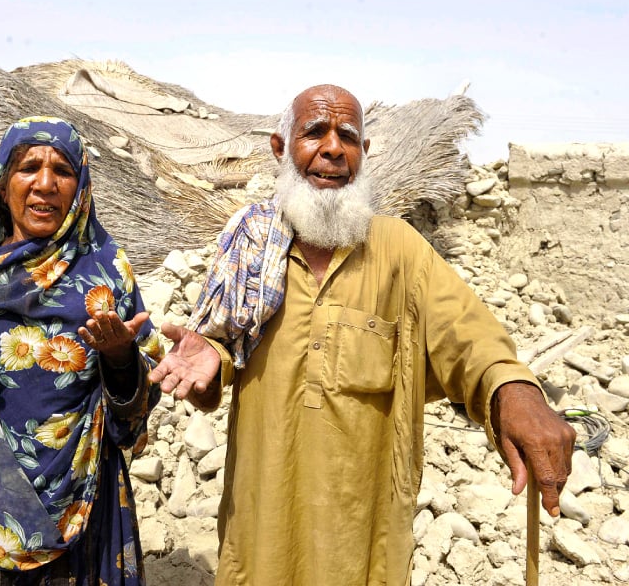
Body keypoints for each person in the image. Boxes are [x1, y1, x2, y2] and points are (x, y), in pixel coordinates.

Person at [148, 85, 576, 585]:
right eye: (314, 133)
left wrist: (514, 391)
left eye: (347, 137)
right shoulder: (250, 245)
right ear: (280, 149)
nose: (332, 149)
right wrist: (212, 364)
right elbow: (225, 344)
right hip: (261, 524)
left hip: (360, 536)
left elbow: (468, 335)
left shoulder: (399, 250)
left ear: (364, 153)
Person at [0, 116, 161, 585]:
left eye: (62, 170)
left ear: (80, 187)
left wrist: (122, 360)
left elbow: (141, 399)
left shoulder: (107, 272)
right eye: (29, 168)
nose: (45, 184)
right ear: (3, 185)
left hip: (85, 502)